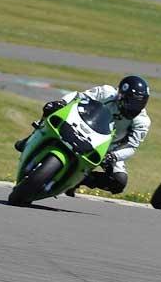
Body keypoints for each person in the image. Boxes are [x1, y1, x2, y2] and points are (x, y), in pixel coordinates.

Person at [15, 75, 151, 196]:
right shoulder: (106, 93)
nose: (135, 108)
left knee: (119, 181)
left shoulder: (142, 121)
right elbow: (78, 96)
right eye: (132, 102)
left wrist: (113, 156)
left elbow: (132, 147)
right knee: (51, 108)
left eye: (140, 103)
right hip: (83, 125)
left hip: (109, 149)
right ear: (121, 95)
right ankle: (30, 138)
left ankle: (78, 179)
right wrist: (62, 103)